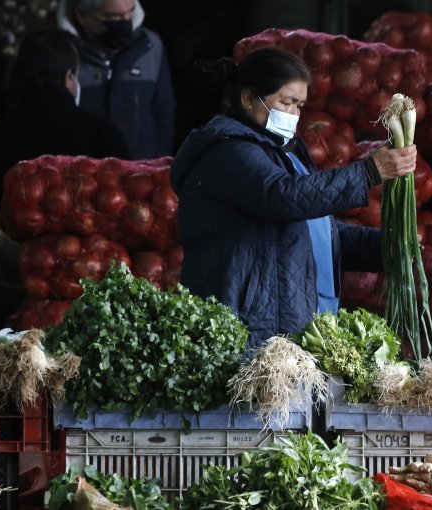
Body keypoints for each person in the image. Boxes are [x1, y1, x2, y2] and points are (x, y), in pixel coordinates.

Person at [169, 47, 418, 349]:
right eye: (286, 102)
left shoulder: (284, 154)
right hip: (251, 327)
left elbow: (316, 232)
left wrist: (390, 246)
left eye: (299, 105)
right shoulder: (228, 150)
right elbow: (281, 196)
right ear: (248, 99)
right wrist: (367, 173)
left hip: (297, 321)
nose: (294, 115)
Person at [0, 30, 129, 259]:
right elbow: (127, 211)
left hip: (4, 277)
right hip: (87, 274)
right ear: (68, 78)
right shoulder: (102, 133)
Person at [57, 0, 176, 159]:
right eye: (114, 16)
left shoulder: (150, 46)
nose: (126, 21)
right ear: (82, 15)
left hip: (141, 174)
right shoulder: (60, 54)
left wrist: (158, 158)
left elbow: (164, 111)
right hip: (85, 177)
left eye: (130, 12)